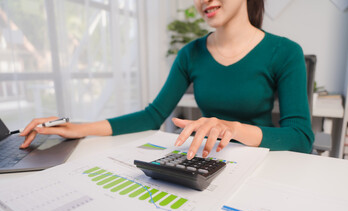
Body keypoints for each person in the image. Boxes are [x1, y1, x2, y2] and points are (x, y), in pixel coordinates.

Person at [20, 0, 314, 159]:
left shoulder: (285, 52)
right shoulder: (191, 53)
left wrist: (232, 128)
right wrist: (76, 128)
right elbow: (152, 116)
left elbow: (300, 138)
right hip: (204, 159)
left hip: (260, 161)